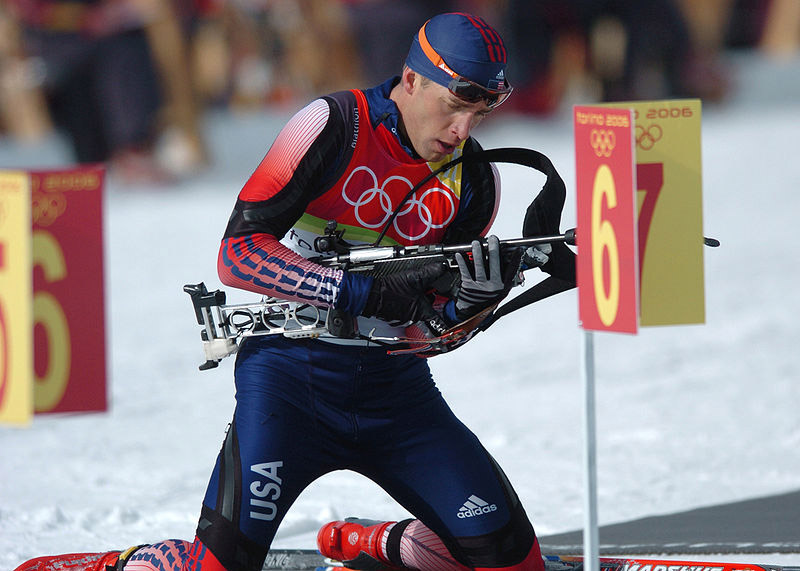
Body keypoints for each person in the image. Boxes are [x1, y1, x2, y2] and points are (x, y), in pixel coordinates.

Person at [15, 12, 558, 571]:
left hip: (396, 396)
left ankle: (379, 544)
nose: (463, 130)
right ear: (412, 79)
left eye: (479, 111)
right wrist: (358, 293)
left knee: (514, 564)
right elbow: (238, 253)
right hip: (289, 384)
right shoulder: (330, 125)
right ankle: (121, 563)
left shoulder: (474, 179)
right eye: (454, 104)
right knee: (216, 567)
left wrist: (472, 304)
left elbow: (428, 332)